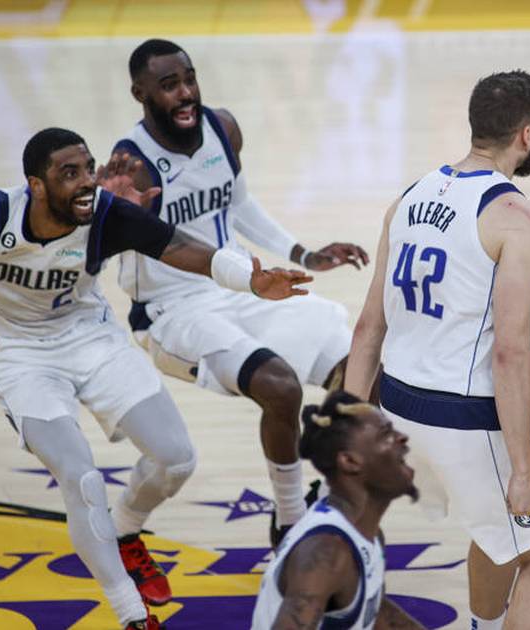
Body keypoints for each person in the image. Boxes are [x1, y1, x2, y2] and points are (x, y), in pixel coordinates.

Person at [0, 128, 310, 630]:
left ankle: (125, 530)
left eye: (88, 168)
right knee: (81, 476)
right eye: (70, 174)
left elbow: (177, 246)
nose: (87, 182)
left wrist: (250, 279)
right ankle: (132, 615)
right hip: (18, 355)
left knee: (177, 460)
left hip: (89, 336)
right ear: (36, 186)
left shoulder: (106, 217)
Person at [109, 38, 369, 543]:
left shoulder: (222, 128)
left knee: (361, 374)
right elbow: (144, 243)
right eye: (168, 86)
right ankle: (290, 521)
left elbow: (239, 207)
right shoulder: (131, 166)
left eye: (189, 79)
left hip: (240, 289)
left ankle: (324, 493)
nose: (185, 94)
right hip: (173, 311)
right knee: (280, 387)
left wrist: (302, 254)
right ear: (140, 93)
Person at [343, 70, 530, 630]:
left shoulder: (409, 196)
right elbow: (511, 352)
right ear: (526, 135)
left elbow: (369, 327)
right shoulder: (518, 217)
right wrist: (521, 469)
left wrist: (347, 428)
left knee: (492, 533)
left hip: (397, 409)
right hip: (465, 417)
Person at [251, 391, 425, 629]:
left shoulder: (363, 530)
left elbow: (374, 612)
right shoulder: (327, 553)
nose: (402, 438)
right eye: (386, 435)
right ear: (350, 462)